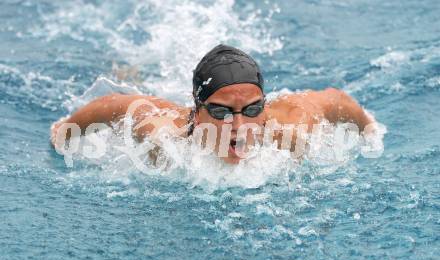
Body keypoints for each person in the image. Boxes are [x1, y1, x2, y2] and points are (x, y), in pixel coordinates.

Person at [51, 44, 375, 164]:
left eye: (251, 110)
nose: (239, 128)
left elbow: (337, 100)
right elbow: (114, 104)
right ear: (197, 111)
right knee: (131, 77)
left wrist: (371, 132)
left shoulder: (291, 128)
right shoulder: (161, 135)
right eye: (220, 112)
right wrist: (63, 132)